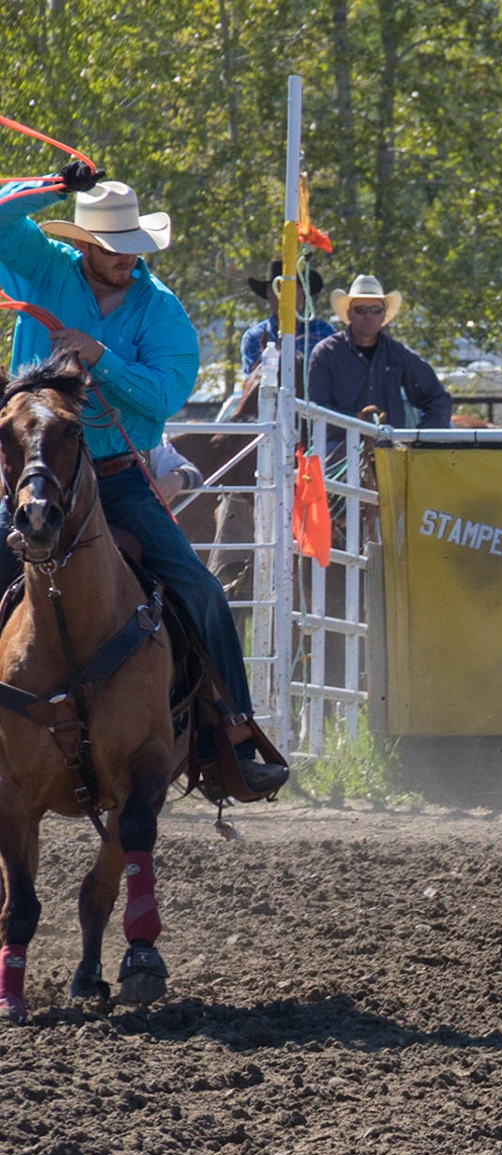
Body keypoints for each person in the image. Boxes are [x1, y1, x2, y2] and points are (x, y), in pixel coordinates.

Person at [0, 163, 288, 795]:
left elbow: (163, 395)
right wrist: (57, 185)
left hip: (116, 480)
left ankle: (232, 736)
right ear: (84, 244)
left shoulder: (161, 309)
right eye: (111, 247)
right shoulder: (44, 267)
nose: (125, 258)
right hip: (34, 476)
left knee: (200, 590)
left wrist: (101, 358)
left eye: (131, 246)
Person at [306, 274, 452, 429]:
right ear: (349, 314)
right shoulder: (326, 353)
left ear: (383, 315)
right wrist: (356, 421)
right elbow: (317, 408)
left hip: (389, 441)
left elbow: (437, 399)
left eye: (376, 310)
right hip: (339, 441)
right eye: (360, 310)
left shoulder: (399, 354)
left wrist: (419, 438)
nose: (368, 316)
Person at [239, 257, 334, 377]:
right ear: (268, 294)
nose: (283, 297)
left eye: (290, 290)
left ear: (302, 293)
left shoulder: (325, 333)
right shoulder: (254, 338)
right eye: (276, 290)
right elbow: (253, 382)